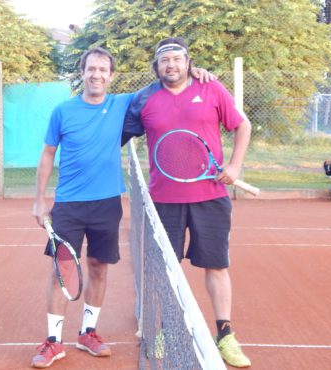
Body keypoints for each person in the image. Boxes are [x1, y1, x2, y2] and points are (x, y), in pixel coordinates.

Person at [31, 47, 215, 368]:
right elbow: (47, 154)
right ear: (82, 72)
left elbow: (163, 81)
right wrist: (39, 198)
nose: (97, 74)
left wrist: (197, 73)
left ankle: (88, 332)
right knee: (62, 269)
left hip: (107, 204)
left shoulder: (121, 105)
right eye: (91, 69)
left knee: (99, 267)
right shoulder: (63, 111)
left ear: (111, 76)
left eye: (103, 70)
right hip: (68, 205)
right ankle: (53, 341)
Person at [123, 37, 252, 368]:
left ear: (188, 62)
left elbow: (242, 125)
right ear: (157, 65)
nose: (171, 65)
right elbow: (117, 132)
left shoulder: (211, 88)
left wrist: (235, 166)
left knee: (217, 265)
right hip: (164, 201)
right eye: (165, 60)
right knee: (167, 271)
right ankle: (166, 329)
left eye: (178, 59)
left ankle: (225, 334)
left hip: (211, 197)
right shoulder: (143, 100)